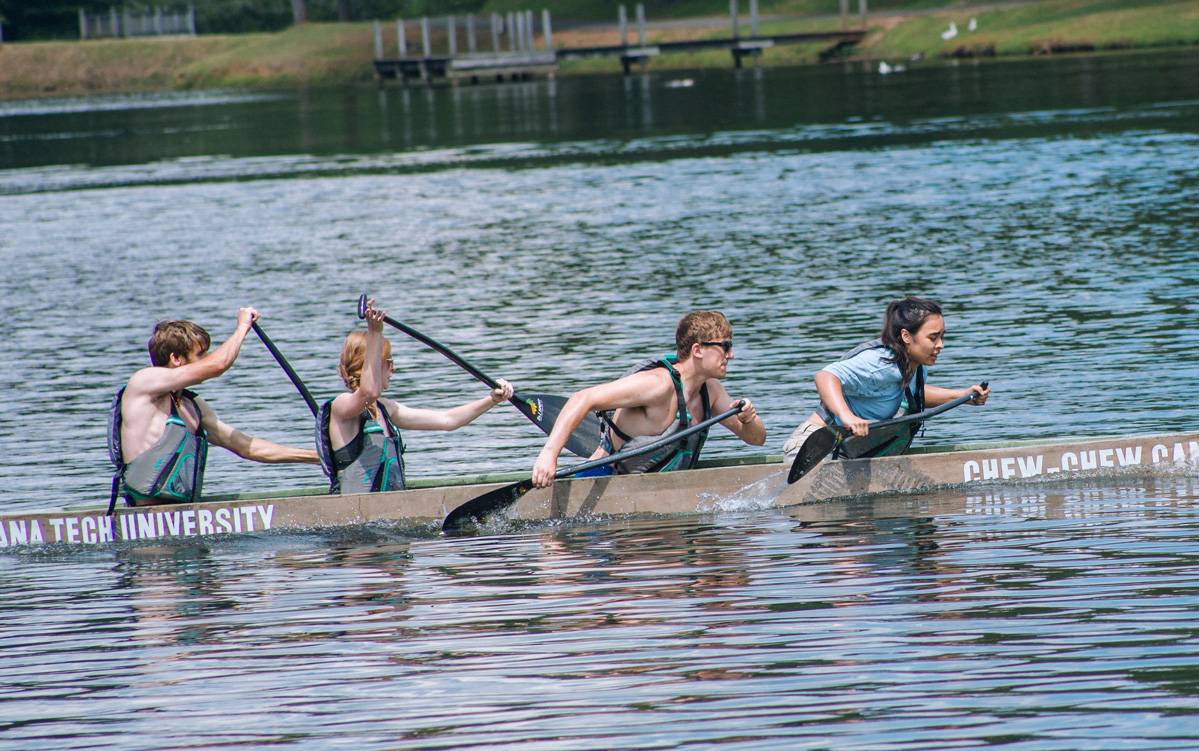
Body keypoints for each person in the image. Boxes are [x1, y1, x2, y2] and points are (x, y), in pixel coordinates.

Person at [108, 308, 319, 512]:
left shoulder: (194, 407)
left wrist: (317, 457)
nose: (207, 358)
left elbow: (246, 447)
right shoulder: (143, 383)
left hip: (182, 513)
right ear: (176, 358)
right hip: (145, 518)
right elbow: (218, 365)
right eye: (201, 354)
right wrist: (243, 327)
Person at [531, 309, 765, 488]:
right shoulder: (657, 385)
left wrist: (749, 419)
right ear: (698, 350)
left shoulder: (711, 390)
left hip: (652, 491)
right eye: (725, 346)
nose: (731, 355)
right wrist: (549, 455)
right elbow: (583, 398)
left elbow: (757, 439)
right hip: (600, 482)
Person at [317, 299, 515, 494]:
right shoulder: (342, 406)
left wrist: (492, 400)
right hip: (355, 520)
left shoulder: (386, 408)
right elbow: (369, 392)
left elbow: (448, 420)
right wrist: (375, 332)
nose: (393, 368)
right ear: (372, 363)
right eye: (389, 361)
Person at [783, 296, 989, 465]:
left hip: (847, 452)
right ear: (906, 336)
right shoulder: (880, 363)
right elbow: (826, 376)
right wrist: (847, 416)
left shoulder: (916, 368)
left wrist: (962, 396)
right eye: (933, 338)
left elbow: (915, 394)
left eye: (942, 337)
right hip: (812, 447)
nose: (941, 345)